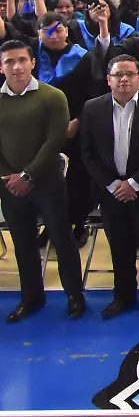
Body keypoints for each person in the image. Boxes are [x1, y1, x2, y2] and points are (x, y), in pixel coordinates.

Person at [0, 39, 85, 322]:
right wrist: (10, 178)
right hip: (10, 184)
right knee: (22, 243)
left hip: (47, 181)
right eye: (10, 62)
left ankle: (74, 295)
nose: (17, 66)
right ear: (1, 67)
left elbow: (55, 140)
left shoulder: (52, 96)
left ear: (32, 62)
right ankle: (31, 297)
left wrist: (28, 175)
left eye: (22, 60)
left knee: (62, 240)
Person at [78, 54, 139, 318]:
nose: (124, 79)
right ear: (108, 80)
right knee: (119, 245)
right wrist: (113, 184)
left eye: (130, 74)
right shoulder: (92, 108)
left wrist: (135, 183)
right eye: (118, 75)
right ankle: (123, 295)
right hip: (111, 192)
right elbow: (88, 153)